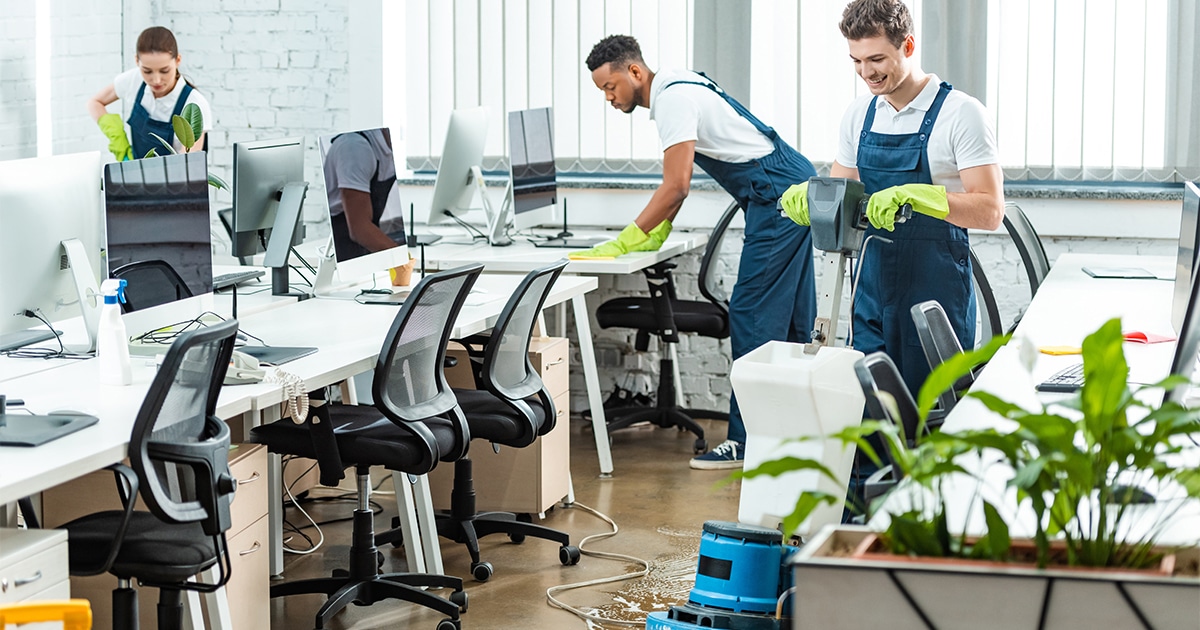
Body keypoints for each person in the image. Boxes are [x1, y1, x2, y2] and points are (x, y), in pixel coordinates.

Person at [779, 0, 1004, 512]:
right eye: (856, 62)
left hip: (935, 285)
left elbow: (991, 211)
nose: (866, 73)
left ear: (908, 45)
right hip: (872, 280)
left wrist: (926, 197)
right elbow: (844, 192)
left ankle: (928, 524)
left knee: (927, 407)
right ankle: (863, 528)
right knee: (870, 404)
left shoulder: (960, 113)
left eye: (876, 59)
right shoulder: (859, 115)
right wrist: (812, 198)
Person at [579, 35, 818, 470]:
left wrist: (629, 238)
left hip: (779, 196)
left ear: (634, 72)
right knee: (793, 319)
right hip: (790, 184)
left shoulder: (671, 101)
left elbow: (677, 184)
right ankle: (799, 434)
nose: (609, 98)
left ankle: (747, 443)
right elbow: (680, 183)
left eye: (610, 87)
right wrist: (658, 229)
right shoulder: (680, 84)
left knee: (753, 315)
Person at [87, 26, 211, 161]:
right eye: (147, 71)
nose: (156, 80)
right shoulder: (133, 80)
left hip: (176, 179)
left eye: (164, 71)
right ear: (137, 61)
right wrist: (117, 137)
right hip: (137, 175)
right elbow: (95, 103)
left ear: (177, 61)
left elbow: (190, 165)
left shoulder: (194, 104)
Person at [322, 128, 404, 261]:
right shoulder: (354, 148)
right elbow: (359, 229)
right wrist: (401, 260)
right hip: (342, 246)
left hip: (364, 242)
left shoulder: (389, 148)